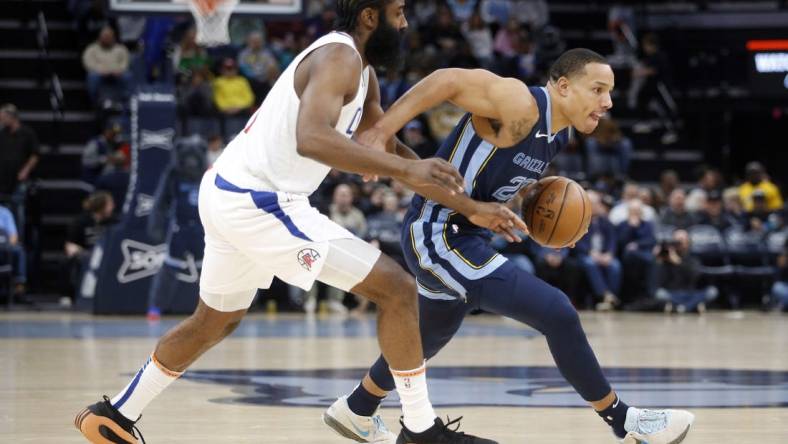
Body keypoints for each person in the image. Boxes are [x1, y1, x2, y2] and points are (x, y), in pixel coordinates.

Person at [75, 1, 510, 443]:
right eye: (397, 12)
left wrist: (470, 207)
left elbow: (389, 149)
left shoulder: (363, 72)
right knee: (397, 289)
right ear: (369, 16)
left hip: (230, 190)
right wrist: (405, 172)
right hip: (259, 199)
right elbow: (312, 138)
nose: (405, 23)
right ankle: (422, 431)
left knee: (214, 322)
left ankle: (113, 415)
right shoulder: (338, 57)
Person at [326, 49, 694, 444]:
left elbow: (490, 179)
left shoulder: (559, 134)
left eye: (610, 92)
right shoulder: (520, 103)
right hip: (437, 232)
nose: (607, 102)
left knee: (428, 335)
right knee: (558, 312)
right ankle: (625, 421)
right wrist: (381, 133)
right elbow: (445, 80)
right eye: (599, 89)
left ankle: (358, 407)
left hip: (468, 236)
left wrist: (523, 206)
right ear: (564, 86)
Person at [575, 190, 621, 310]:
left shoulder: (605, 221)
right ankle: (605, 295)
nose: (594, 206)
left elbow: (612, 240)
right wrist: (591, 252)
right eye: (591, 203)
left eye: (596, 203)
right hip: (586, 254)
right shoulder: (578, 219)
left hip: (604, 254)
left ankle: (611, 298)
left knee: (615, 265)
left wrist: (609, 254)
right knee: (590, 263)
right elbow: (577, 241)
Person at [0, 104, 39, 199]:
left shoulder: (27, 133)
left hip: (19, 180)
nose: (1, 121)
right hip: (3, 181)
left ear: (11, 117)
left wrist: (26, 170)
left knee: (19, 209)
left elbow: (35, 155)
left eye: (3, 118)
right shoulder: (2, 133)